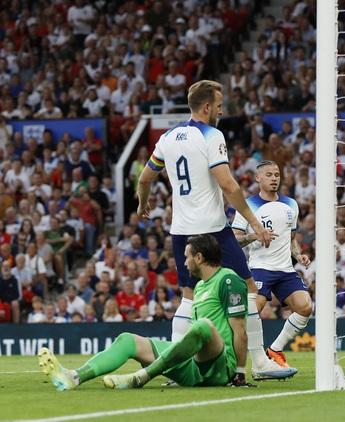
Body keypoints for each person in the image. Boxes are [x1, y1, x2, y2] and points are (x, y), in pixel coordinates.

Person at [136, 80, 294, 380]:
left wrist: (143, 204)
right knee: (249, 289)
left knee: (188, 296)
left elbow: (145, 179)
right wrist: (255, 222)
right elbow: (227, 183)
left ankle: (172, 368)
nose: (221, 111)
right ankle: (260, 363)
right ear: (207, 107)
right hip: (212, 229)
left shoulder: (168, 137)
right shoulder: (211, 135)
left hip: (181, 230)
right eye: (219, 106)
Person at [38, 234, 281, 390]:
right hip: (195, 364)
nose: (184, 263)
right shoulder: (200, 286)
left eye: (187, 257)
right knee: (127, 340)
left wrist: (239, 373)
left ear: (199, 257)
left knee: (203, 326)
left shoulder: (229, 280)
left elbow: (240, 331)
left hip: (220, 367)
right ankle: (74, 377)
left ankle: (141, 377)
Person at [232, 160, 313, 369]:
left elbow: (291, 237)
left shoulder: (291, 204)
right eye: (269, 175)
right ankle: (248, 361)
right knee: (253, 310)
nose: (274, 178)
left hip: (286, 269)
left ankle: (275, 349)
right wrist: (255, 234)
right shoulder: (247, 205)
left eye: (276, 174)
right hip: (260, 268)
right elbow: (235, 239)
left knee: (305, 307)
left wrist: (299, 255)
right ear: (258, 178)